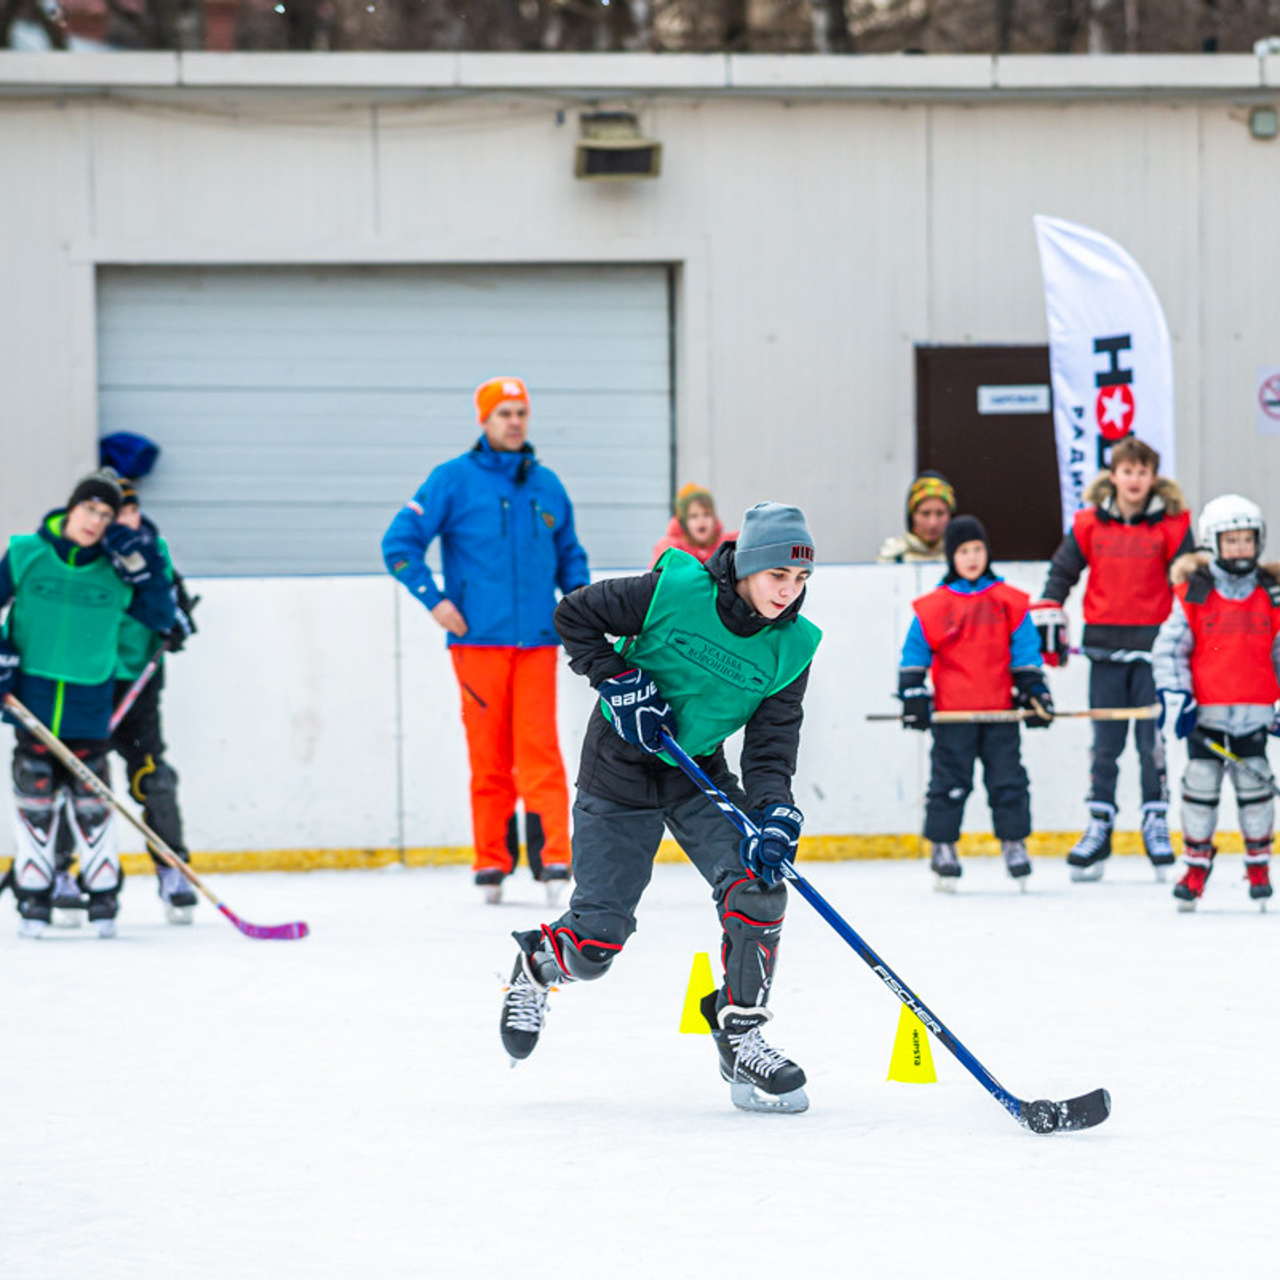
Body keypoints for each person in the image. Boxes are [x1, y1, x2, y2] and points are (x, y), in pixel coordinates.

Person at [498, 502, 821, 1114]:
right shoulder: (673, 590)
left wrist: (776, 813)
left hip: (695, 771)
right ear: (749, 566)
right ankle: (538, 965)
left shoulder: (792, 648)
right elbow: (573, 615)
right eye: (779, 574)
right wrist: (618, 680)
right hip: (618, 767)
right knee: (594, 944)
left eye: (801, 579)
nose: (789, 591)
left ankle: (741, 1033)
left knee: (758, 886)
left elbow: (771, 750)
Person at [382, 376, 590, 903]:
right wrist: (434, 599)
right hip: (478, 644)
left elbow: (570, 556)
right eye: (504, 413)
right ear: (485, 420)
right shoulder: (452, 479)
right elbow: (400, 544)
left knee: (540, 750)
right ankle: (492, 863)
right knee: (489, 755)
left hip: (539, 642)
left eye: (521, 412)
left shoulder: (547, 485)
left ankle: (554, 861)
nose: (515, 421)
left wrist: (581, 606)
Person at [0, 470, 175, 938]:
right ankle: (33, 896)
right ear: (71, 507)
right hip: (31, 695)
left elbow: (161, 619)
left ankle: (102, 896)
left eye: (106, 514)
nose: (95, 521)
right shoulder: (25, 552)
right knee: (35, 789)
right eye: (89, 510)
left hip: (90, 696)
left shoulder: (118, 569)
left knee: (91, 798)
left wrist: (147, 572)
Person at [1031, 436, 1193, 882]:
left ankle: (1155, 820)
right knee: (1106, 744)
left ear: (1153, 477)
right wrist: (1049, 606)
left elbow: (1187, 581)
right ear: (1114, 474)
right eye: (1128, 471)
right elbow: (1062, 572)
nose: (1135, 479)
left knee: (1151, 744)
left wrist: (1196, 626)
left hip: (1154, 651)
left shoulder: (1174, 525)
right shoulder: (1088, 523)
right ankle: (1099, 823)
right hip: (1104, 649)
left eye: (1143, 472)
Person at [898, 515, 1053, 889]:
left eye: (978, 549)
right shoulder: (935, 605)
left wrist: (1034, 690)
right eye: (964, 550)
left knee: (1008, 782)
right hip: (954, 716)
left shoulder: (1007, 602)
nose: (971, 557)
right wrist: (913, 693)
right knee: (949, 784)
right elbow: (915, 653)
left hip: (1000, 713)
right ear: (952, 555)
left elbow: (1025, 651)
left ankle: (1015, 844)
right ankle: (943, 847)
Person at [1153, 495, 1280, 911]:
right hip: (1207, 718)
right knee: (1199, 789)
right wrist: (1176, 697)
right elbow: (1170, 651)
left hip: (1255, 715)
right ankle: (1196, 864)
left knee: (1257, 788)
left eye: (1248, 539)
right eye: (1232, 540)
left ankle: (1258, 862)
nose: (1241, 548)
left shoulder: (1273, 594)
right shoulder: (1194, 593)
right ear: (1214, 542)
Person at [104, 458, 200, 924]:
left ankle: (172, 869)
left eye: (130, 511)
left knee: (152, 778)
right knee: (79, 782)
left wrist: (178, 624)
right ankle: (66, 873)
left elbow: (172, 607)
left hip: (138, 685)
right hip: (85, 683)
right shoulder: (84, 552)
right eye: (115, 512)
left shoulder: (153, 548)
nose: (124, 521)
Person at [877, 471, 956, 564]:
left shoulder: (962, 556)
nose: (933, 523)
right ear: (912, 516)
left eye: (940, 513)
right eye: (925, 514)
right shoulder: (894, 556)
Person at [650, 482, 736, 566]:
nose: (701, 520)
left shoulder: (724, 544)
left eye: (707, 514)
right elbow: (663, 572)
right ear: (683, 523)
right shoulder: (674, 547)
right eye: (694, 516)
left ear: (714, 519)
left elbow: (741, 540)